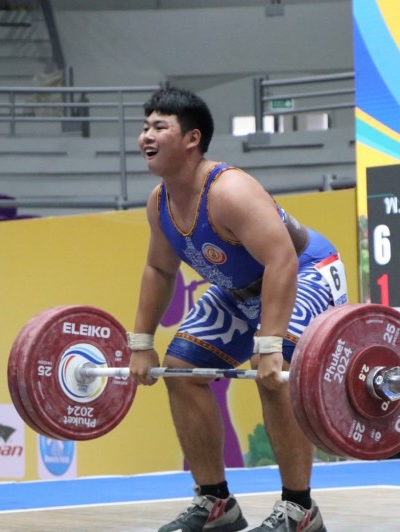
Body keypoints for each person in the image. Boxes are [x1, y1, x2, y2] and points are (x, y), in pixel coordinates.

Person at [128, 87, 347, 532]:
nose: (145, 136)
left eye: (159, 127)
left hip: (304, 269)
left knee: (274, 370)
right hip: (240, 290)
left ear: (192, 138)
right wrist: (141, 342)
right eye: (145, 126)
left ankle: (300, 510)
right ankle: (216, 503)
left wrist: (269, 344)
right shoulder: (160, 202)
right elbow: (159, 269)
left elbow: (281, 260)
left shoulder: (229, 190)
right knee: (180, 370)